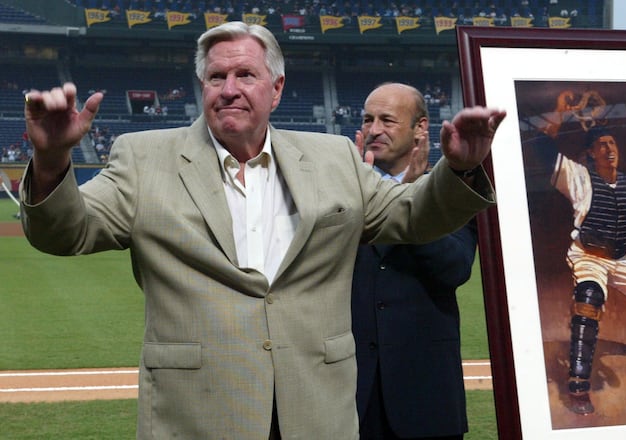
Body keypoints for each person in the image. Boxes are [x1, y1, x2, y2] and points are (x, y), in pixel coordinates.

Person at [19, 21, 505, 439]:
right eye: (216, 76)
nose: (229, 88)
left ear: (276, 88)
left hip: (316, 414)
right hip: (199, 415)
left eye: (245, 75)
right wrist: (52, 159)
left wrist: (459, 169)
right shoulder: (143, 157)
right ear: (202, 86)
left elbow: (414, 214)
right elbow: (67, 232)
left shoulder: (334, 158)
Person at [526, 90, 626, 415]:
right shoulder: (579, 177)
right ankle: (578, 384)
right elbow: (542, 147)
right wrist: (559, 111)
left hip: (622, 258)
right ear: (590, 153)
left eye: (612, 144)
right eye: (602, 145)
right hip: (588, 256)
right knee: (589, 300)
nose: (609, 149)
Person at [351, 83, 476, 439]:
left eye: (387, 120)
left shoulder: (451, 191)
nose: (374, 130)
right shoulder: (342, 191)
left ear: (420, 127)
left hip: (427, 400)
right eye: (368, 119)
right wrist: (354, 190)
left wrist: (411, 199)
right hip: (353, 401)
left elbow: (455, 267)